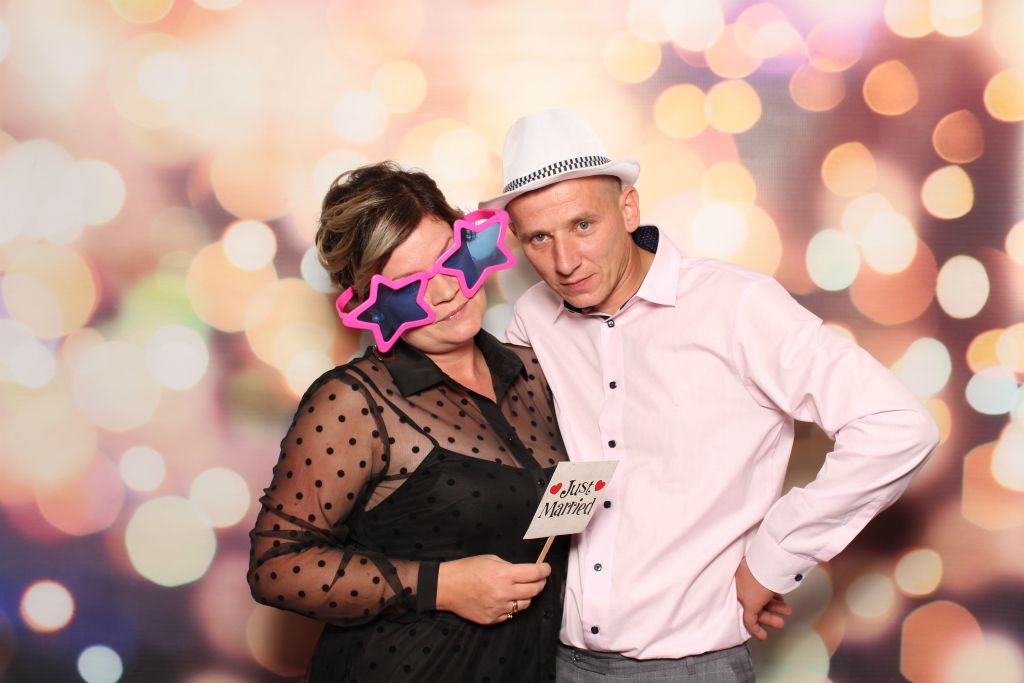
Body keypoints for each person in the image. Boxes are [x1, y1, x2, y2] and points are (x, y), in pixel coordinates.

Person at [480, 109, 940, 682]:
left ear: (628, 208)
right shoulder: (533, 318)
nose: (565, 262)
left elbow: (896, 425)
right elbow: (540, 461)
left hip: (693, 667)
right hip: (557, 657)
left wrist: (776, 556)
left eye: (583, 225)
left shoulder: (737, 305)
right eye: (539, 238)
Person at [248, 161, 569, 682]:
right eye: (407, 285)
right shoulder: (355, 401)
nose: (445, 291)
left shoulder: (535, 370)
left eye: (450, 259)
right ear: (369, 302)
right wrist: (442, 586)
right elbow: (276, 566)